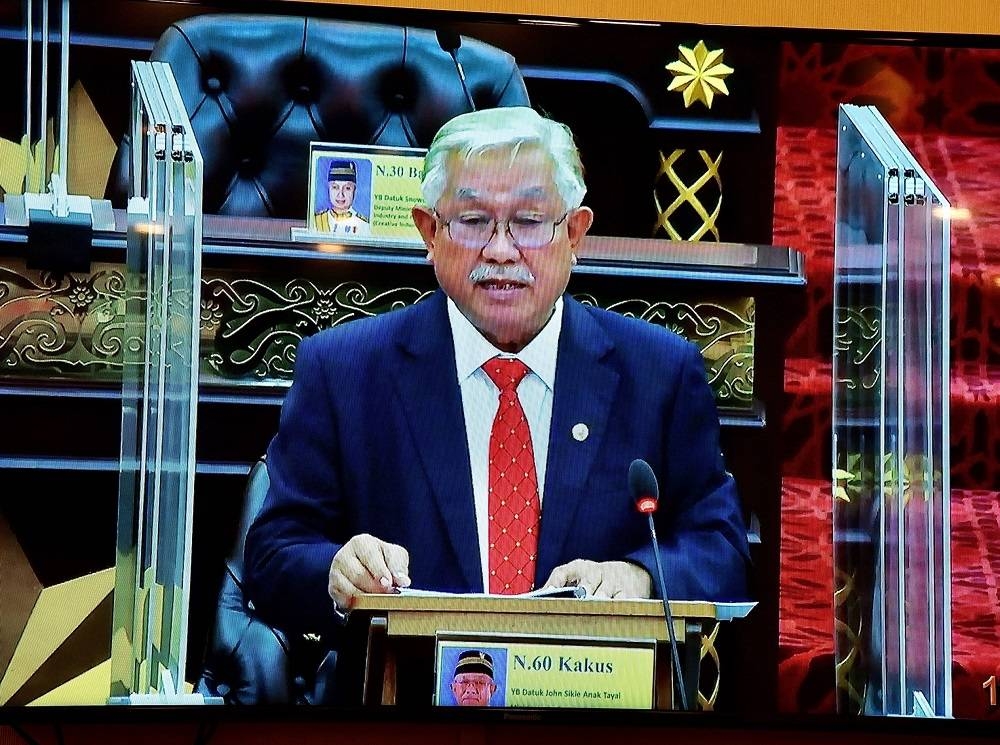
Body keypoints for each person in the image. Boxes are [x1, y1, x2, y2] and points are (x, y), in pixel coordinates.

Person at [245, 107, 750, 638]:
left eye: (529, 222)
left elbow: (720, 549)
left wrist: (641, 578)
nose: (501, 250)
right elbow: (274, 555)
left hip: (593, 707)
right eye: (472, 220)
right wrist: (336, 571)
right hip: (404, 709)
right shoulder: (344, 369)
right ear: (429, 233)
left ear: (575, 235)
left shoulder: (659, 373)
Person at [314, 159, 370, 236]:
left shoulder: (365, 225)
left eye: (347, 188)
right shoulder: (316, 221)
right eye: (335, 187)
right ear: (328, 189)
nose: (340, 195)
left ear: (354, 190)